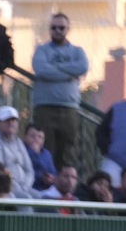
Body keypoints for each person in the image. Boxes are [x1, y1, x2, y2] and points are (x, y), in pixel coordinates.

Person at [29, 12, 87, 170]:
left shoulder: (77, 51)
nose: (57, 31)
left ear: (68, 28)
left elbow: (82, 67)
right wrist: (69, 74)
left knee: (66, 153)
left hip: (69, 108)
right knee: (44, 149)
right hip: (44, 107)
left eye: (61, 27)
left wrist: (54, 69)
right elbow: (41, 70)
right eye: (53, 27)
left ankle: (64, 191)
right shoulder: (41, 50)